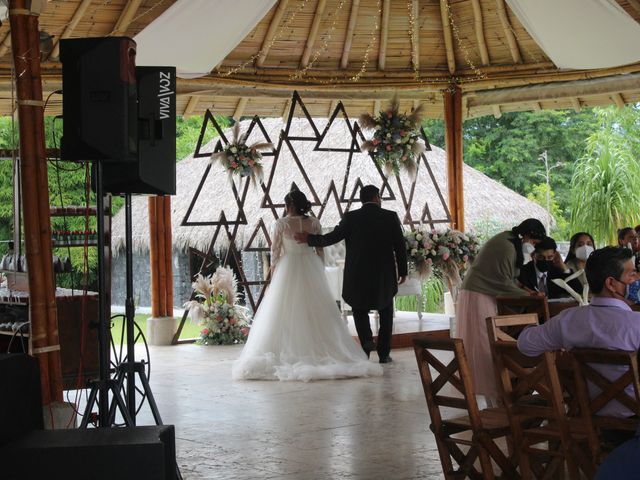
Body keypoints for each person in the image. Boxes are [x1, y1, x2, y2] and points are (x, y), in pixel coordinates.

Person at [232, 190, 382, 381]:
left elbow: (275, 251)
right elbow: (320, 249)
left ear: (289, 205)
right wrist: (319, 268)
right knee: (316, 310)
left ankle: (291, 347)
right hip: (310, 265)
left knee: (285, 310)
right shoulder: (314, 222)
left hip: (289, 266)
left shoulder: (281, 223)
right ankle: (323, 350)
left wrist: (274, 271)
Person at [518, 247, 640, 432]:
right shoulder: (636, 324)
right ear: (611, 283)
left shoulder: (569, 320)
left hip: (591, 424)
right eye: (632, 274)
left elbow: (525, 344)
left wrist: (533, 329)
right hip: (635, 426)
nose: (637, 278)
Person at [294, 185, 407, 364]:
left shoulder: (351, 217)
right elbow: (400, 247)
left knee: (359, 309)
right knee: (386, 311)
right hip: (383, 274)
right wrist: (403, 271)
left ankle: (366, 344)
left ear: (361, 200)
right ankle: (384, 354)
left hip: (358, 273)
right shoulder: (390, 216)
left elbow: (332, 237)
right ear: (377, 197)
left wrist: (309, 239)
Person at [456, 218, 546, 401]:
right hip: (478, 293)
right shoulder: (507, 246)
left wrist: (528, 291)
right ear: (527, 236)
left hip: (483, 292)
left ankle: (495, 391)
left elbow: (512, 279)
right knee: (485, 341)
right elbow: (504, 282)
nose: (533, 247)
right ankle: (492, 390)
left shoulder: (510, 242)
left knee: (487, 341)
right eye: (534, 243)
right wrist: (528, 296)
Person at [518, 236, 583, 299]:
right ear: (533, 255)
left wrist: (564, 268)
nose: (545, 260)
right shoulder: (523, 272)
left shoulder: (557, 271)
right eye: (540, 257)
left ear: (555, 255)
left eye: (549, 257)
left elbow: (578, 290)